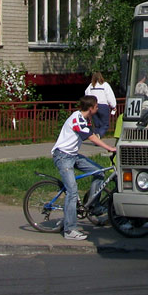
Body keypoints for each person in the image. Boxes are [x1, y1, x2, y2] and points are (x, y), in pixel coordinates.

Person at [51, 95, 117, 241]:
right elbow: (91, 138)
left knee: (99, 172)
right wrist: (109, 148)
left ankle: (94, 206)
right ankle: (70, 230)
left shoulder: (85, 119)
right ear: (91, 107)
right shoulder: (77, 119)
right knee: (72, 192)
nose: (98, 108)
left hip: (73, 155)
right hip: (63, 156)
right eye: (97, 106)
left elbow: (93, 134)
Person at [84, 71, 117, 137]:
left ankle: (96, 138)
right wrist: (113, 105)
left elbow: (86, 94)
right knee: (105, 125)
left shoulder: (91, 86)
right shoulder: (105, 85)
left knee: (97, 125)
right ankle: (99, 135)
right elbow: (109, 96)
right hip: (103, 106)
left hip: (93, 106)